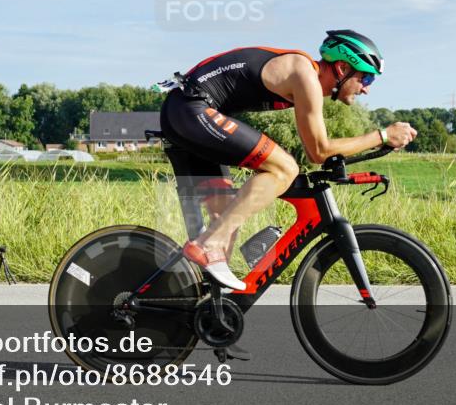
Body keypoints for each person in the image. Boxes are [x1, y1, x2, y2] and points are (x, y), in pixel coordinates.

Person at [159, 30, 417, 291]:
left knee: (226, 219)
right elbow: (318, 150)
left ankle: (198, 310)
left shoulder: (305, 77)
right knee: (284, 168)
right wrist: (383, 135)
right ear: (342, 68)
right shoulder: (304, 75)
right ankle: (206, 245)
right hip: (190, 110)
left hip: (187, 112)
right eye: (366, 77)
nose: (367, 88)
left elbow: (317, 147)